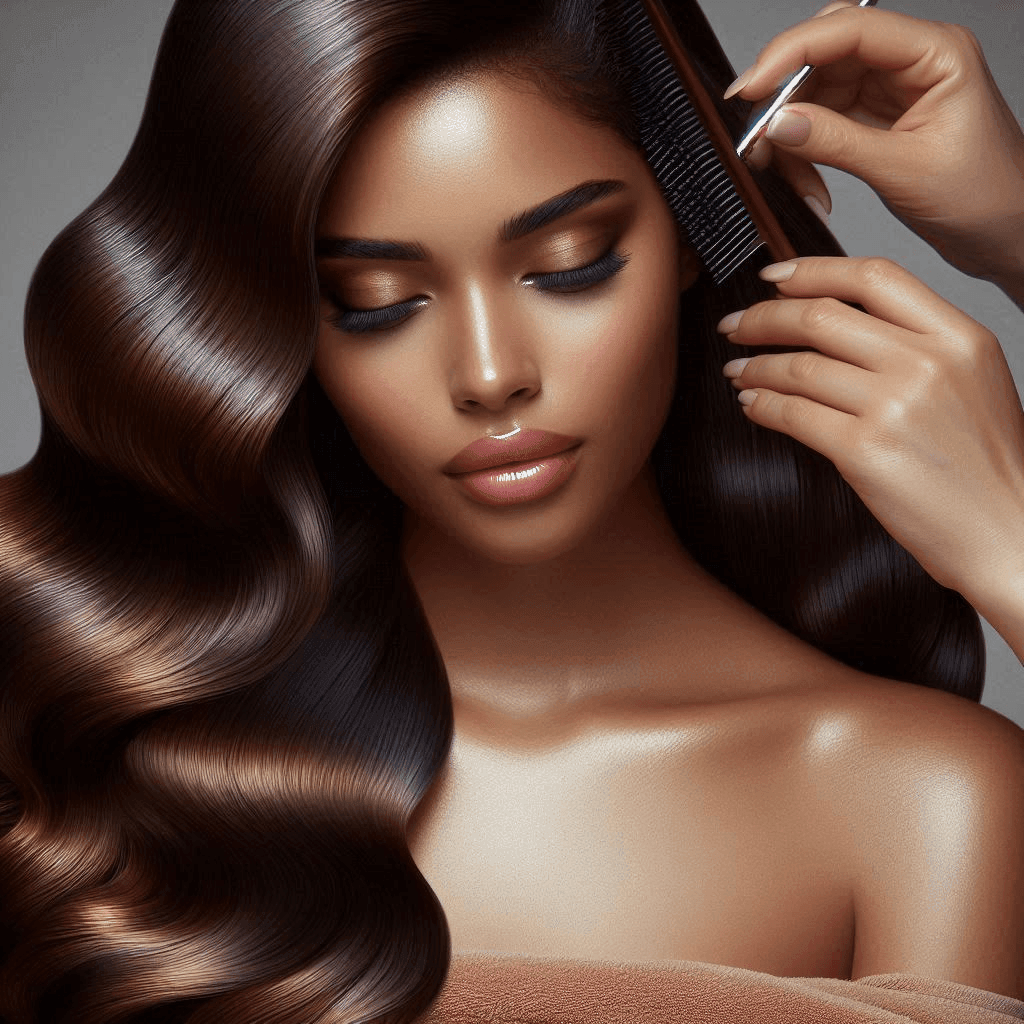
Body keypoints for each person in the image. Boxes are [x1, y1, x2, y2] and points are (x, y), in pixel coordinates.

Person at [0, 1, 1022, 1022]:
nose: (489, 375)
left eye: (570, 262)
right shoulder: (101, 745)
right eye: (375, 299)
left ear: (688, 231)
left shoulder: (921, 797)